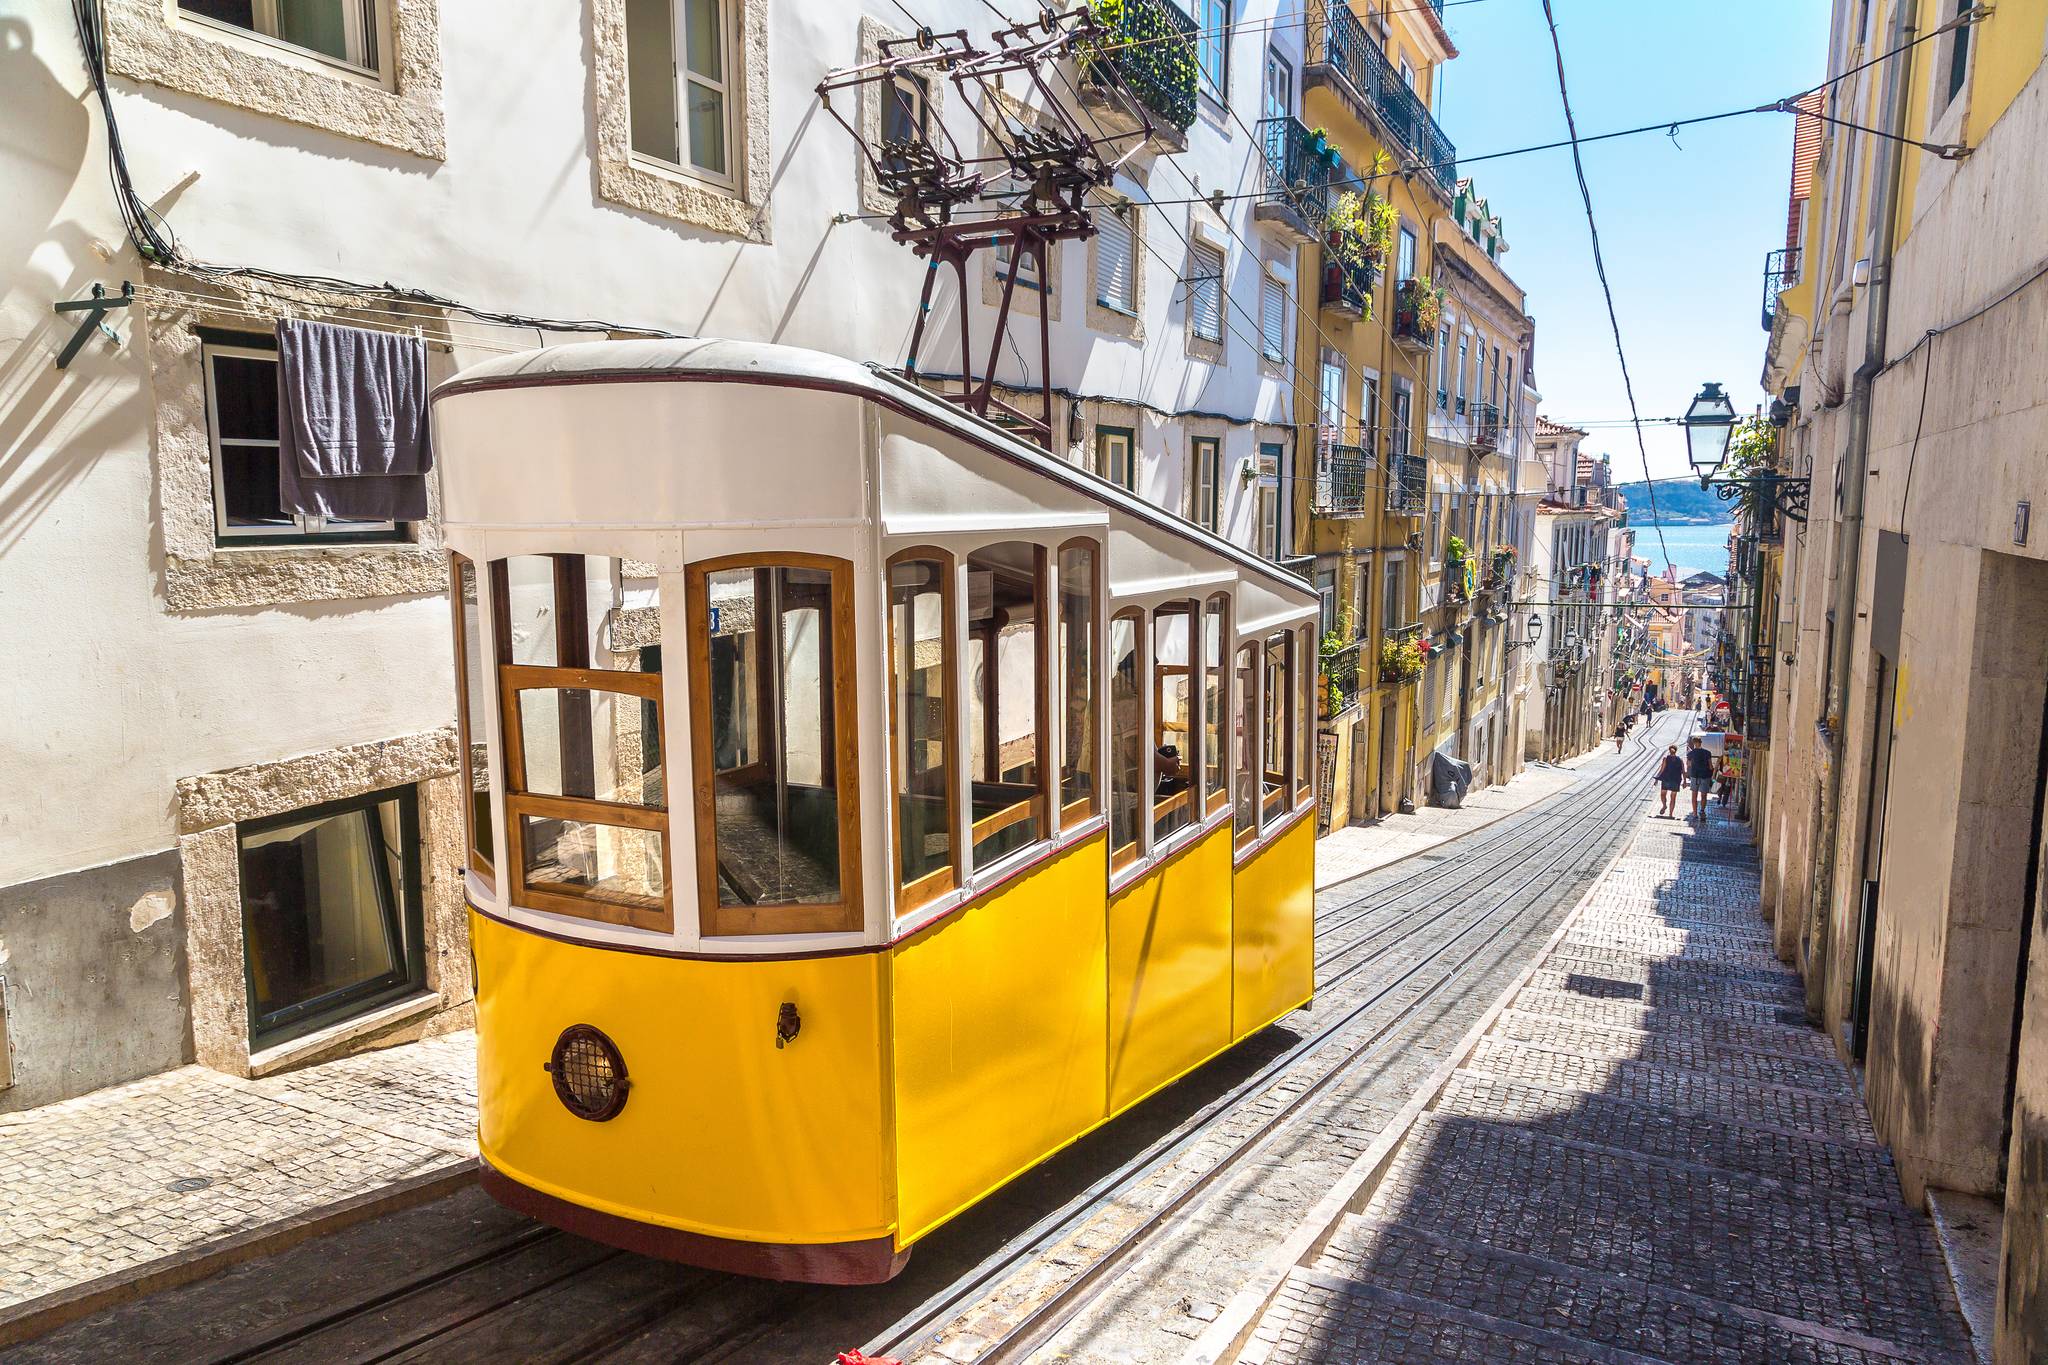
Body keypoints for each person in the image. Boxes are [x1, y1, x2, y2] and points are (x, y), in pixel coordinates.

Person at [1684, 736, 1717, 820]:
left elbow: (1688, 765)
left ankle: (1695, 813)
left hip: (1695, 776)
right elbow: (1710, 766)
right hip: (1705, 776)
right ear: (1700, 742)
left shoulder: (1690, 754)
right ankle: (1702, 811)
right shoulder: (1707, 753)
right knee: (1703, 795)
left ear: (1694, 743)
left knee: (1694, 795)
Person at [1652, 745, 1684, 818]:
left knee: (1663, 794)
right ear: (1676, 750)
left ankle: (1664, 805)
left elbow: (1662, 770)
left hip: (1666, 779)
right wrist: (1684, 781)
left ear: (1669, 750)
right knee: (1673, 798)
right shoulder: (1680, 760)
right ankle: (1670, 814)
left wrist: (1657, 779)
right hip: (1676, 780)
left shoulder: (1665, 759)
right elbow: (1683, 771)